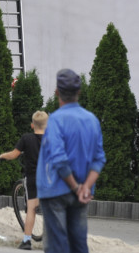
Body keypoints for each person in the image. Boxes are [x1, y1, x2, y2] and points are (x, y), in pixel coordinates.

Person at [36, 68, 106, 253]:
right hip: (82, 192)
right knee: (79, 244)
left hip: (55, 190)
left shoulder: (56, 120)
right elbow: (99, 159)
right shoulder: (92, 120)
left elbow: (59, 159)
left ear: (57, 91)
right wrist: (84, 187)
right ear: (79, 92)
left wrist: (74, 186)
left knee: (57, 246)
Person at [0, 110, 49, 249]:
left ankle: (27, 241)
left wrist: (2, 156)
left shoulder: (26, 138)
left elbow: (14, 154)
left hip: (33, 178)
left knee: (31, 209)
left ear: (32, 125)